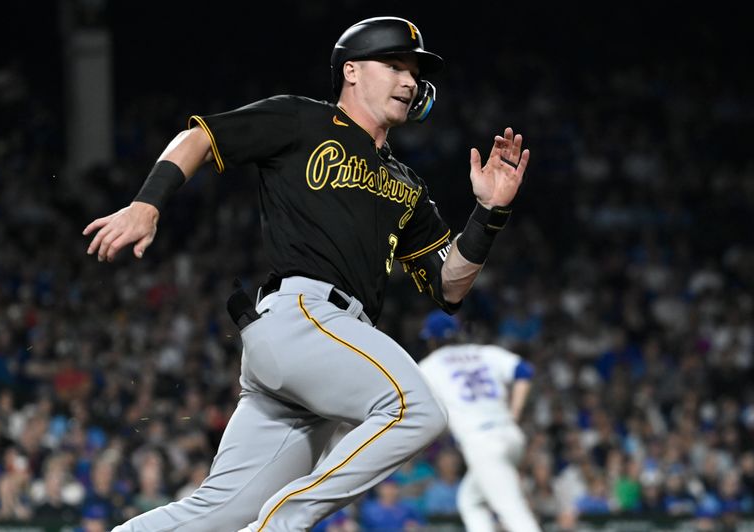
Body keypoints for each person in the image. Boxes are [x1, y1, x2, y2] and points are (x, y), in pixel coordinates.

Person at [83, 16, 529, 532]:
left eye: (415, 72)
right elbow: (200, 138)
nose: (409, 80)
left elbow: (449, 286)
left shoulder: (407, 184)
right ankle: (284, 524)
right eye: (394, 65)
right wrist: (146, 204)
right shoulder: (302, 120)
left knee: (222, 512)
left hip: (316, 348)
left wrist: (489, 214)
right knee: (416, 409)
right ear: (352, 71)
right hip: (302, 316)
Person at [417, 310, 541, 532]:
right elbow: (524, 371)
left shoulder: (429, 365)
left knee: (513, 512)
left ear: (432, 340)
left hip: (482, 443)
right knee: (470, 501)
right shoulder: (485, 353)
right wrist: (514, 413)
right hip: (511, 436)